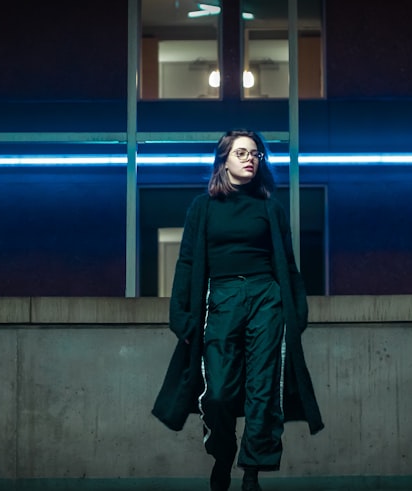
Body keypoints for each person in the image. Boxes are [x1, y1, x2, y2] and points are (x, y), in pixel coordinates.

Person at [152, 129, 324, 491]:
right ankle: (224, 451)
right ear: (224, 161)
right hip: (222, 299)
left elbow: (288, 264)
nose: (250, 159)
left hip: (266, 298)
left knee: (263, 388)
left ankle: (251, 471)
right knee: (217, 391)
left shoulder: (269, 208)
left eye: (256, 154)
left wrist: (297, 309)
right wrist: (181, 316)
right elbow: (186, 263)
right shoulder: (203, 207)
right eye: (242, 152)